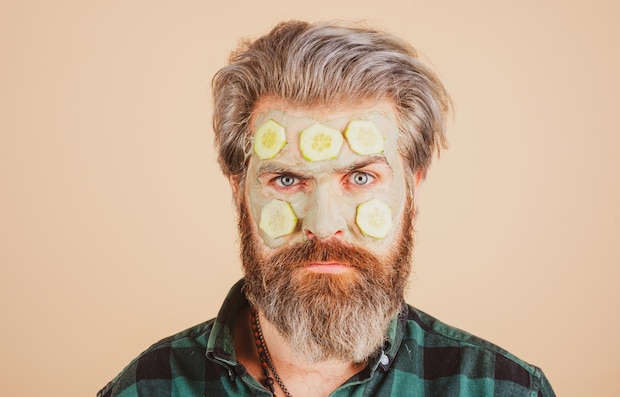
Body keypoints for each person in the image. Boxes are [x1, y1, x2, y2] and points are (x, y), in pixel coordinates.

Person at [98, 20, 556, 397]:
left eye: (360, 178)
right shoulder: (143, 390)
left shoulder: (505, 391)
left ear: (411, 189)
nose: (323, 225)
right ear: (238, 191)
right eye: (287, 179)